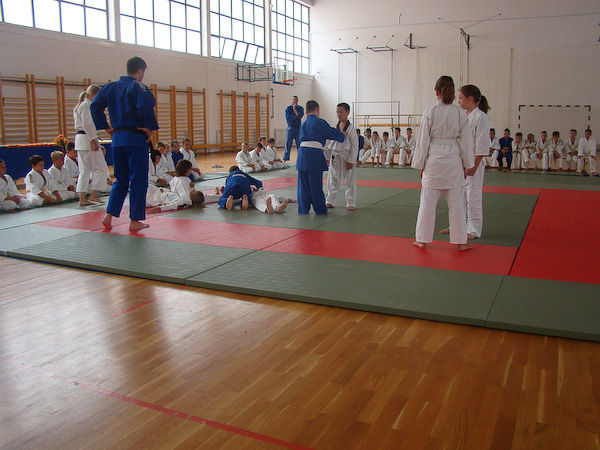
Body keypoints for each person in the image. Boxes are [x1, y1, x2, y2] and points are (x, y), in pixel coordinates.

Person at [91, 56, 159, 230]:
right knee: (138, 179)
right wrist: (149, 128)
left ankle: (108, 216)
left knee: (120, 179)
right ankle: (135, 220)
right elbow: (145, 107)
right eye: (143, 72)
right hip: (135, 138)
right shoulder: (138, 87)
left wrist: (106, 128)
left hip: (117, 139)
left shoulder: (109, 87)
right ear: (140, 70)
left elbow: (95, 107)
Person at [411, 75, 474, 251]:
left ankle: (422, 239)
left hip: (434, 160)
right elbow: (466, 141)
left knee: (427, 203)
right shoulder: (460, 113)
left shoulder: (430, 112)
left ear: (436, 91)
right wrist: (468, 163)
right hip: (453, 160)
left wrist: (421, 164)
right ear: (453, 92)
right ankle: (461, 241)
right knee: (457, 204)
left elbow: (423, 141)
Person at [439, 84, 489, 240]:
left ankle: (473, 230)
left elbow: (482, 144)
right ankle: (457, 226)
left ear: (470, 98)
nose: (458, 101)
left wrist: (474, 165)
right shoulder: (463, 115)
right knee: (457, 197)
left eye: (461, 98)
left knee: (473, 196)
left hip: (474, 163)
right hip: (459, 163)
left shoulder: (481, 117)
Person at [296, 100, 345, 214]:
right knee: (315, 184)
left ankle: (303, 209)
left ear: (306, 112)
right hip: (313, 154)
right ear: (317, 110)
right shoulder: (319, 122)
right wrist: (342, 135)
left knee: (302, 185)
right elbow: (333, 133)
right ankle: (320, 209)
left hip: (302, 154)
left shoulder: (303, 124)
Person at [73, 84, 107, 206]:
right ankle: (94, 194)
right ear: (93, 95)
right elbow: (87, 124)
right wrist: (93, 140)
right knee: (101, 168)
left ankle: (82, 198)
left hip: (81, 140)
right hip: (87, 139)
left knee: (84, 171)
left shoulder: (80, 105)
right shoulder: (87, 105)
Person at [324, 102, 359, 211]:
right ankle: (330, 201)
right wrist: (326, 157)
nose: (338, 114)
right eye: (337, 112)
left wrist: (351, 160)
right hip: (335, 157)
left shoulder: (351, 129)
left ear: (347, 112)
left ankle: (351, 202)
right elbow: (328, 143)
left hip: (346, 157)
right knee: (332, 179)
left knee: (349, 181)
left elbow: (354, 146)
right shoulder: (334, 128)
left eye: (341, 112)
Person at [284, 96, 304, 162]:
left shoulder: (300, 108)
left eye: (296, 100)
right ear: (292, 100)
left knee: (299, 144)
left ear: (297, 100)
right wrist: (295, 116)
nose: (295, 101)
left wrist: (295, 109)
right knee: (288, 143)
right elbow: (288, 118)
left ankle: (300, 158)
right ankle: (285, 159)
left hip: (298, 128)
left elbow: (299, 116)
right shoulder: (288, 108)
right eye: (294, 100)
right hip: (290, 127)